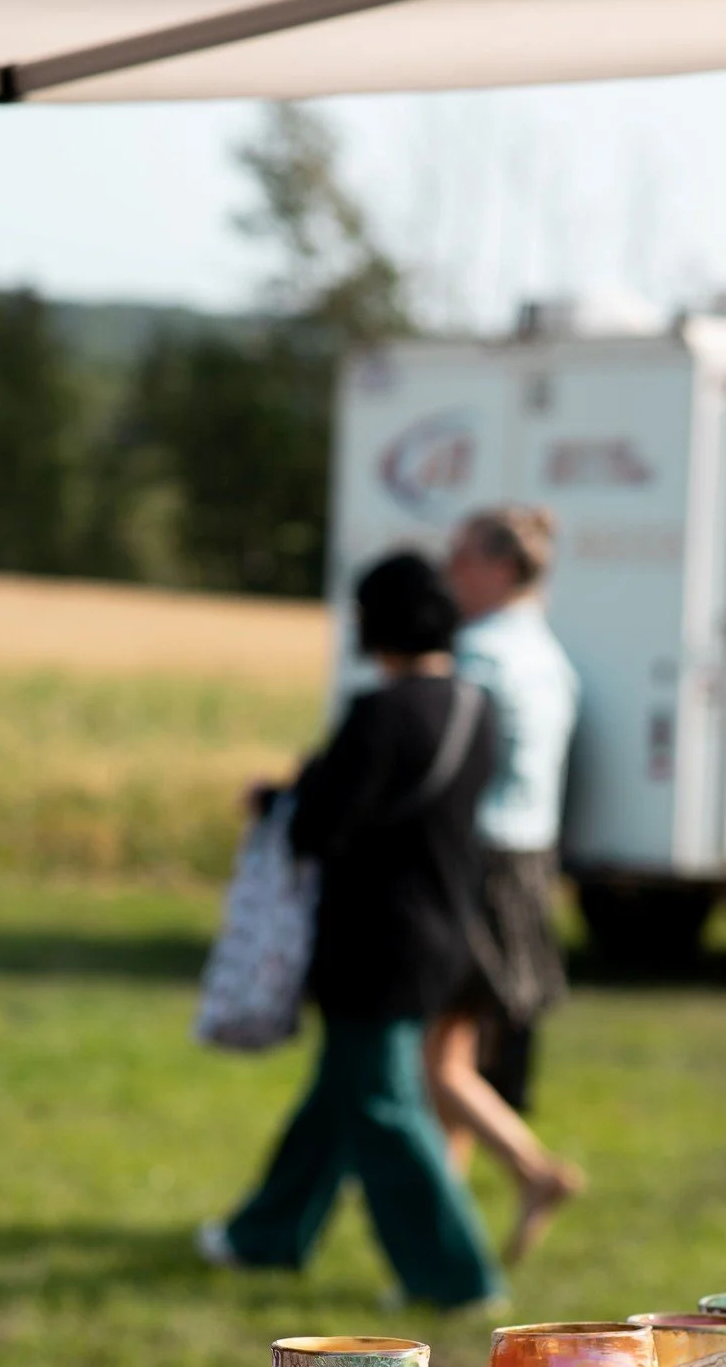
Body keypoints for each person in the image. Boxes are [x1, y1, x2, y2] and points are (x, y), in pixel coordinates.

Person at [196, 551, 503, 1311]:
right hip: (442, 931)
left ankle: (456, 1278)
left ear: (377, 624)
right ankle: (264, 1237)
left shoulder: (382, 711)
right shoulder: (475, 705)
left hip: (373, 943)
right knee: (341, 1093)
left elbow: (325, 829)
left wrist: (280, 797)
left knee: (380, 1105)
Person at [424, 504, 584, 1266]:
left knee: (438, 1063)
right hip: (529, 865)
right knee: (455, 1053)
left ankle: (533, 1171)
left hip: (477, 865)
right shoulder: (549, 654)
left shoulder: (476, 654)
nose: (449, 573)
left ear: (498, 567)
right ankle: (445, 1231)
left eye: (460, 557)